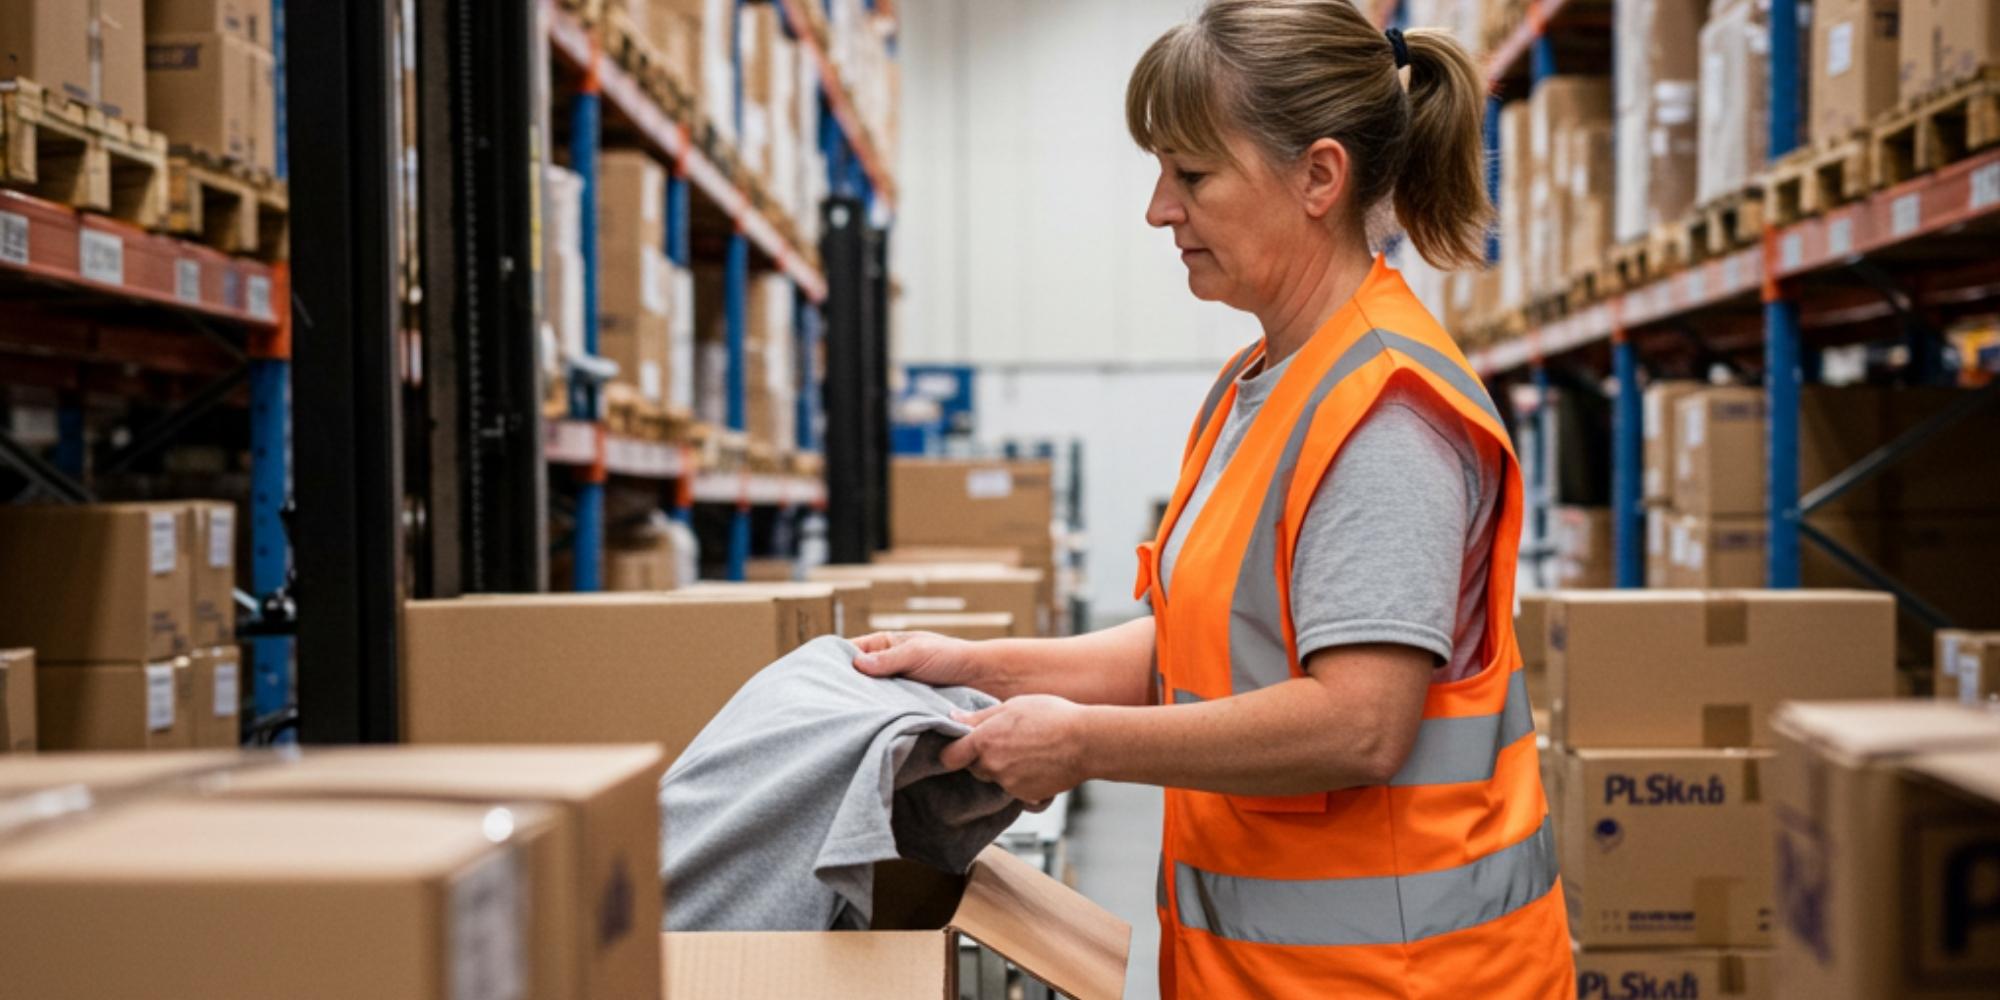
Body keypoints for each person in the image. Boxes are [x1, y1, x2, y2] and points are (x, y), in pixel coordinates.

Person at [852, 0, 1572, 995]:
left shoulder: (1385, 416)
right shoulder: (1254, 385)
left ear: (1317, 176)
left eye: (1190, 175)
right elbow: (1195, 643)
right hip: (1268, 970)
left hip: (1396, 977)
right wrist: (980, 665)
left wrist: (1082, 743)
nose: (1158, 208)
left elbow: (1360, 722)